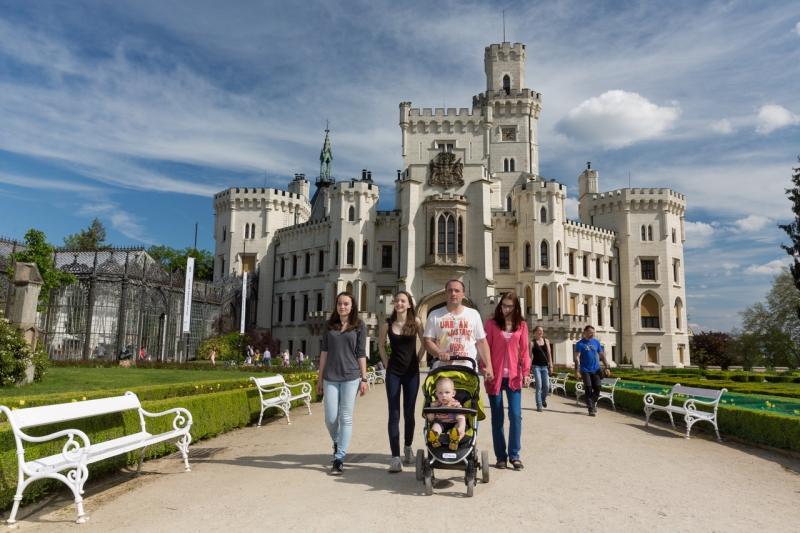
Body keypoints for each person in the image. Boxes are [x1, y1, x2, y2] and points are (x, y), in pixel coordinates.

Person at [316, 291, 369, 475]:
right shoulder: (329, 325)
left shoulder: (359, 325)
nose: (342, 307)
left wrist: (364, 378)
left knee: (346, 418)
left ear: (352, 306)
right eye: (339, 303)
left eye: (346, 304)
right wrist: (320, 378)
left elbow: (361, 353)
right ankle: (337, 442)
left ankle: (339, 458)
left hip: (351, 376)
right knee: (331, 419)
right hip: (330, 376)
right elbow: (324, 351)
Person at [378, 290, 426, 473]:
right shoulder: (387, 324)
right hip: (394, 373)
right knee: (394, 414)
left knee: (409, 413)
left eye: (403, 301)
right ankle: (395, 458)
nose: (399, 303)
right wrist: (386, 363)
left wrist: (418, 359)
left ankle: (408, 447)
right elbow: (381, 345)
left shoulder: (416, 322)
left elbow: (425, 343)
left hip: (411, 373)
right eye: (397, 301)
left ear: (409, 304)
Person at [483, 293, 530, 470]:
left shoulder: (522, 325)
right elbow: (485, 347)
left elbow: (524, 351)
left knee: (516, 416)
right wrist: (485, 367)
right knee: (497, 417)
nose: (507, 309)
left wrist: (526, 372)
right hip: (494, 376)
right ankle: (501, 457)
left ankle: (514, 455)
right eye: (504, 305)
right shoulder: (491, 323)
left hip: (514, 376)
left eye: (510, 306)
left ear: (516, 308)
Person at [423, 280, 494, 381]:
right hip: (442, 370)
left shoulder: (473, 314)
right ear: (445, 293)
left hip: (468, 370)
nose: (453, 294)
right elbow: (427, 342)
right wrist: (439, 353)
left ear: (463, 294)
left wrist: (489, 365)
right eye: (450, 290)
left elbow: (482, 342)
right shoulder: (434, 315)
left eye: (457, 291)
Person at [574, 325, 611, 416]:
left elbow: (601, 355)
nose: (592, 334)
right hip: (585, 370)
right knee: (588, 388)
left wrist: (607, 367)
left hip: (596, 369)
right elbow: (577, 358)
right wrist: (576, 370)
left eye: (593, 332)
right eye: (590, 332)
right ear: (585, 332)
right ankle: (591, 409)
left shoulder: (596, 342)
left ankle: (592, 403)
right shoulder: (580, 344)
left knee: (598, 388)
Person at [426, 377, 466, 451]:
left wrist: (461, 428)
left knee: (460, 425)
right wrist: (432, 409)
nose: (443, 395)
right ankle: (434, 439)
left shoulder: (456, 404)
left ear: (453, 393)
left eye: (447, 392)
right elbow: (431, 419)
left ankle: (455, 440)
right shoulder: (436, 404)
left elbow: (461, 418)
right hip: (440, 422)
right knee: (435, 426)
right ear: (436, 394)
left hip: (454, 423)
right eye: (440, 393)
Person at [530, 325, 553, 412]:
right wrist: (528, 367)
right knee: (539, 385)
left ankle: (543, 398)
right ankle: (539, 404)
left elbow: (549, 354)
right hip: (536, 366)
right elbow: (529, 357)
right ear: (535, 332)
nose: (541, 332)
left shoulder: (546, 341)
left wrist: (551, 365)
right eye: (539, 330)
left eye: (542, 330)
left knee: (546, 386)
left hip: (545, 367)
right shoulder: (532, 343)